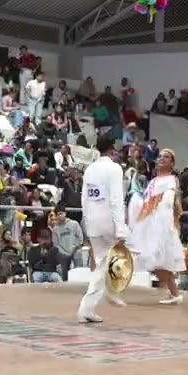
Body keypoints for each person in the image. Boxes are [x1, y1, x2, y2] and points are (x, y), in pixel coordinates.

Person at [77, 135, 129, 324]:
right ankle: (110, 290)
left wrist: (87, 221)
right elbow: (116, 199)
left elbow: (84, 198)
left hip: (93, 221)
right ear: (112, 149)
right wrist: (121, 229)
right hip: (109, 221)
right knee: (138, 250)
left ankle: (90, 307)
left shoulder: (90, 169)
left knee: (101, 263)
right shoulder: (114, 169)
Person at [127, 148, 186, 304]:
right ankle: (174, 293)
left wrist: (163, 227)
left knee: (158, 260)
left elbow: (167, 203)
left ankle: (174, 294)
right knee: (153, 261)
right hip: (148, 223)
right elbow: (147, 201)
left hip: (160, 224)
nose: (161, 159)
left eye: (166, 157)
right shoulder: (153, 181)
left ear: (172, 163)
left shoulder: (171, 180)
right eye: (160, 157)